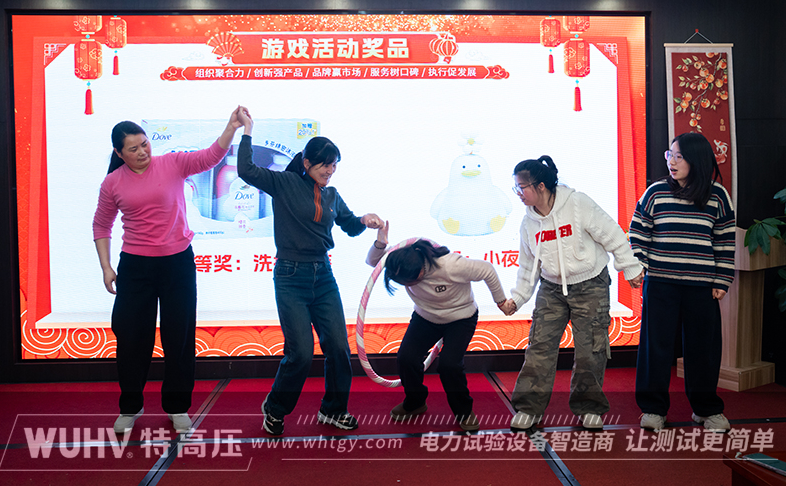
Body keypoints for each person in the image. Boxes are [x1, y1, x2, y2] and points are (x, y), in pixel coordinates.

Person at [94, 107, 246, 435]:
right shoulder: (112, 183)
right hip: (135, 266)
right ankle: (130, 405)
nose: (142, 152)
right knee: (132, 338)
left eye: (144, 144)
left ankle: (177, 406)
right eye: (133, 149)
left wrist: (231, 127)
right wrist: (106, 267)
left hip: (177, 263)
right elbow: (101, 225)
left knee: (179, 336)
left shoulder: (172, 163)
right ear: (119, 153)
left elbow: (210, 157)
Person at [236, 112, 384, 436]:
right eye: (324, 165)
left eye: (334, 166)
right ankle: (275, 408)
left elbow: (349, 226)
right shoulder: (284, 183)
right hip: (290, 277)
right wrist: (247, 130)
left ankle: (334, 409)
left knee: (338, 348)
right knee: (301, 353)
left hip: (323, 276)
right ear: (306, 163)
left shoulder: (331, 195)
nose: (329, 171)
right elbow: (246, 170)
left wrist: (364, 220)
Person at [507, 155, 644, 432]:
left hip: (590, 283)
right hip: (551, 288)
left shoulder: (578, 203)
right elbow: (528, 266)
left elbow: (612, 234)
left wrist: (630, 267)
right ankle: (529, 408)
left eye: (522, 187)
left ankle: (589, 407)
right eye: (516, 188)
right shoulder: (528, 222)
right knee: (539, 347)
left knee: (590, 349)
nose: (519, 193)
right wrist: (518, 298)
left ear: (541, 186)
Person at [366, 222, 516, 432]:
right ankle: (415, 402)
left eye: (410, 281)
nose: (407, 285)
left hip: (460, 318)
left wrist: (501, 302)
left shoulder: (450, 265)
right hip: (426, 317)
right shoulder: (400, 259)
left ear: (421, 269)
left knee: (449, 365)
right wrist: (380, 243)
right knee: (406, 358)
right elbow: (372, 261)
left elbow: (487, 270)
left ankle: (464, 412)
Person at [630, 132, 735, 433]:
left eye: (679, 156)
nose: (672, 162)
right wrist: (640, 266)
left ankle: (706, 409)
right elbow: (638, 232)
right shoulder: (656, 192)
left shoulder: (717, 196)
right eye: (670, 155)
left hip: (702, 286)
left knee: (703, 349)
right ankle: (653, 409)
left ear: (696, 160)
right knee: (656, 347)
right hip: (661, 283)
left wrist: (722, 279)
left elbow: (725, 241)